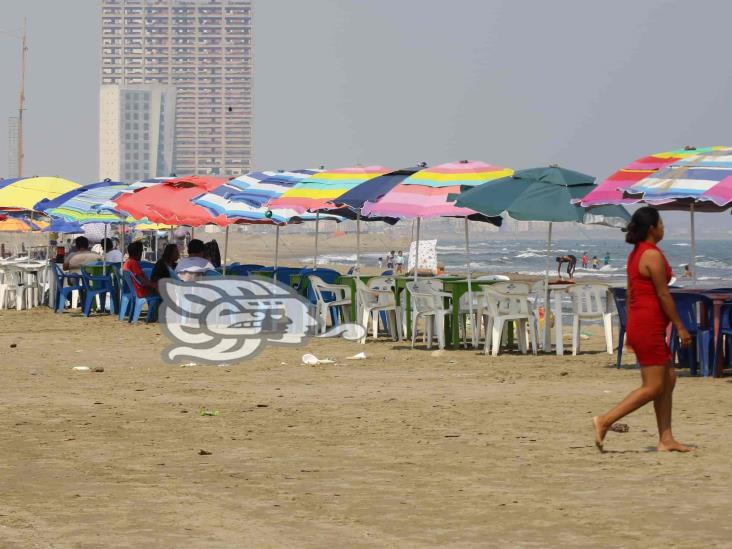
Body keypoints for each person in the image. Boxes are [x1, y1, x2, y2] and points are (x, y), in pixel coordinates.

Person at [593, 206, 691, 452]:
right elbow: (663, 294)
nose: (663, 227)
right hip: (646, 325)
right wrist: (679, 326)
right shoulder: (651, 255)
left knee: (668, 379)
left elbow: (635, 291)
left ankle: (666, 439)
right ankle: (605, 420)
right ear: (652, 228)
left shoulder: (638, 253)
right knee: (654, 386)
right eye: (661, 223)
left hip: (643, 322)